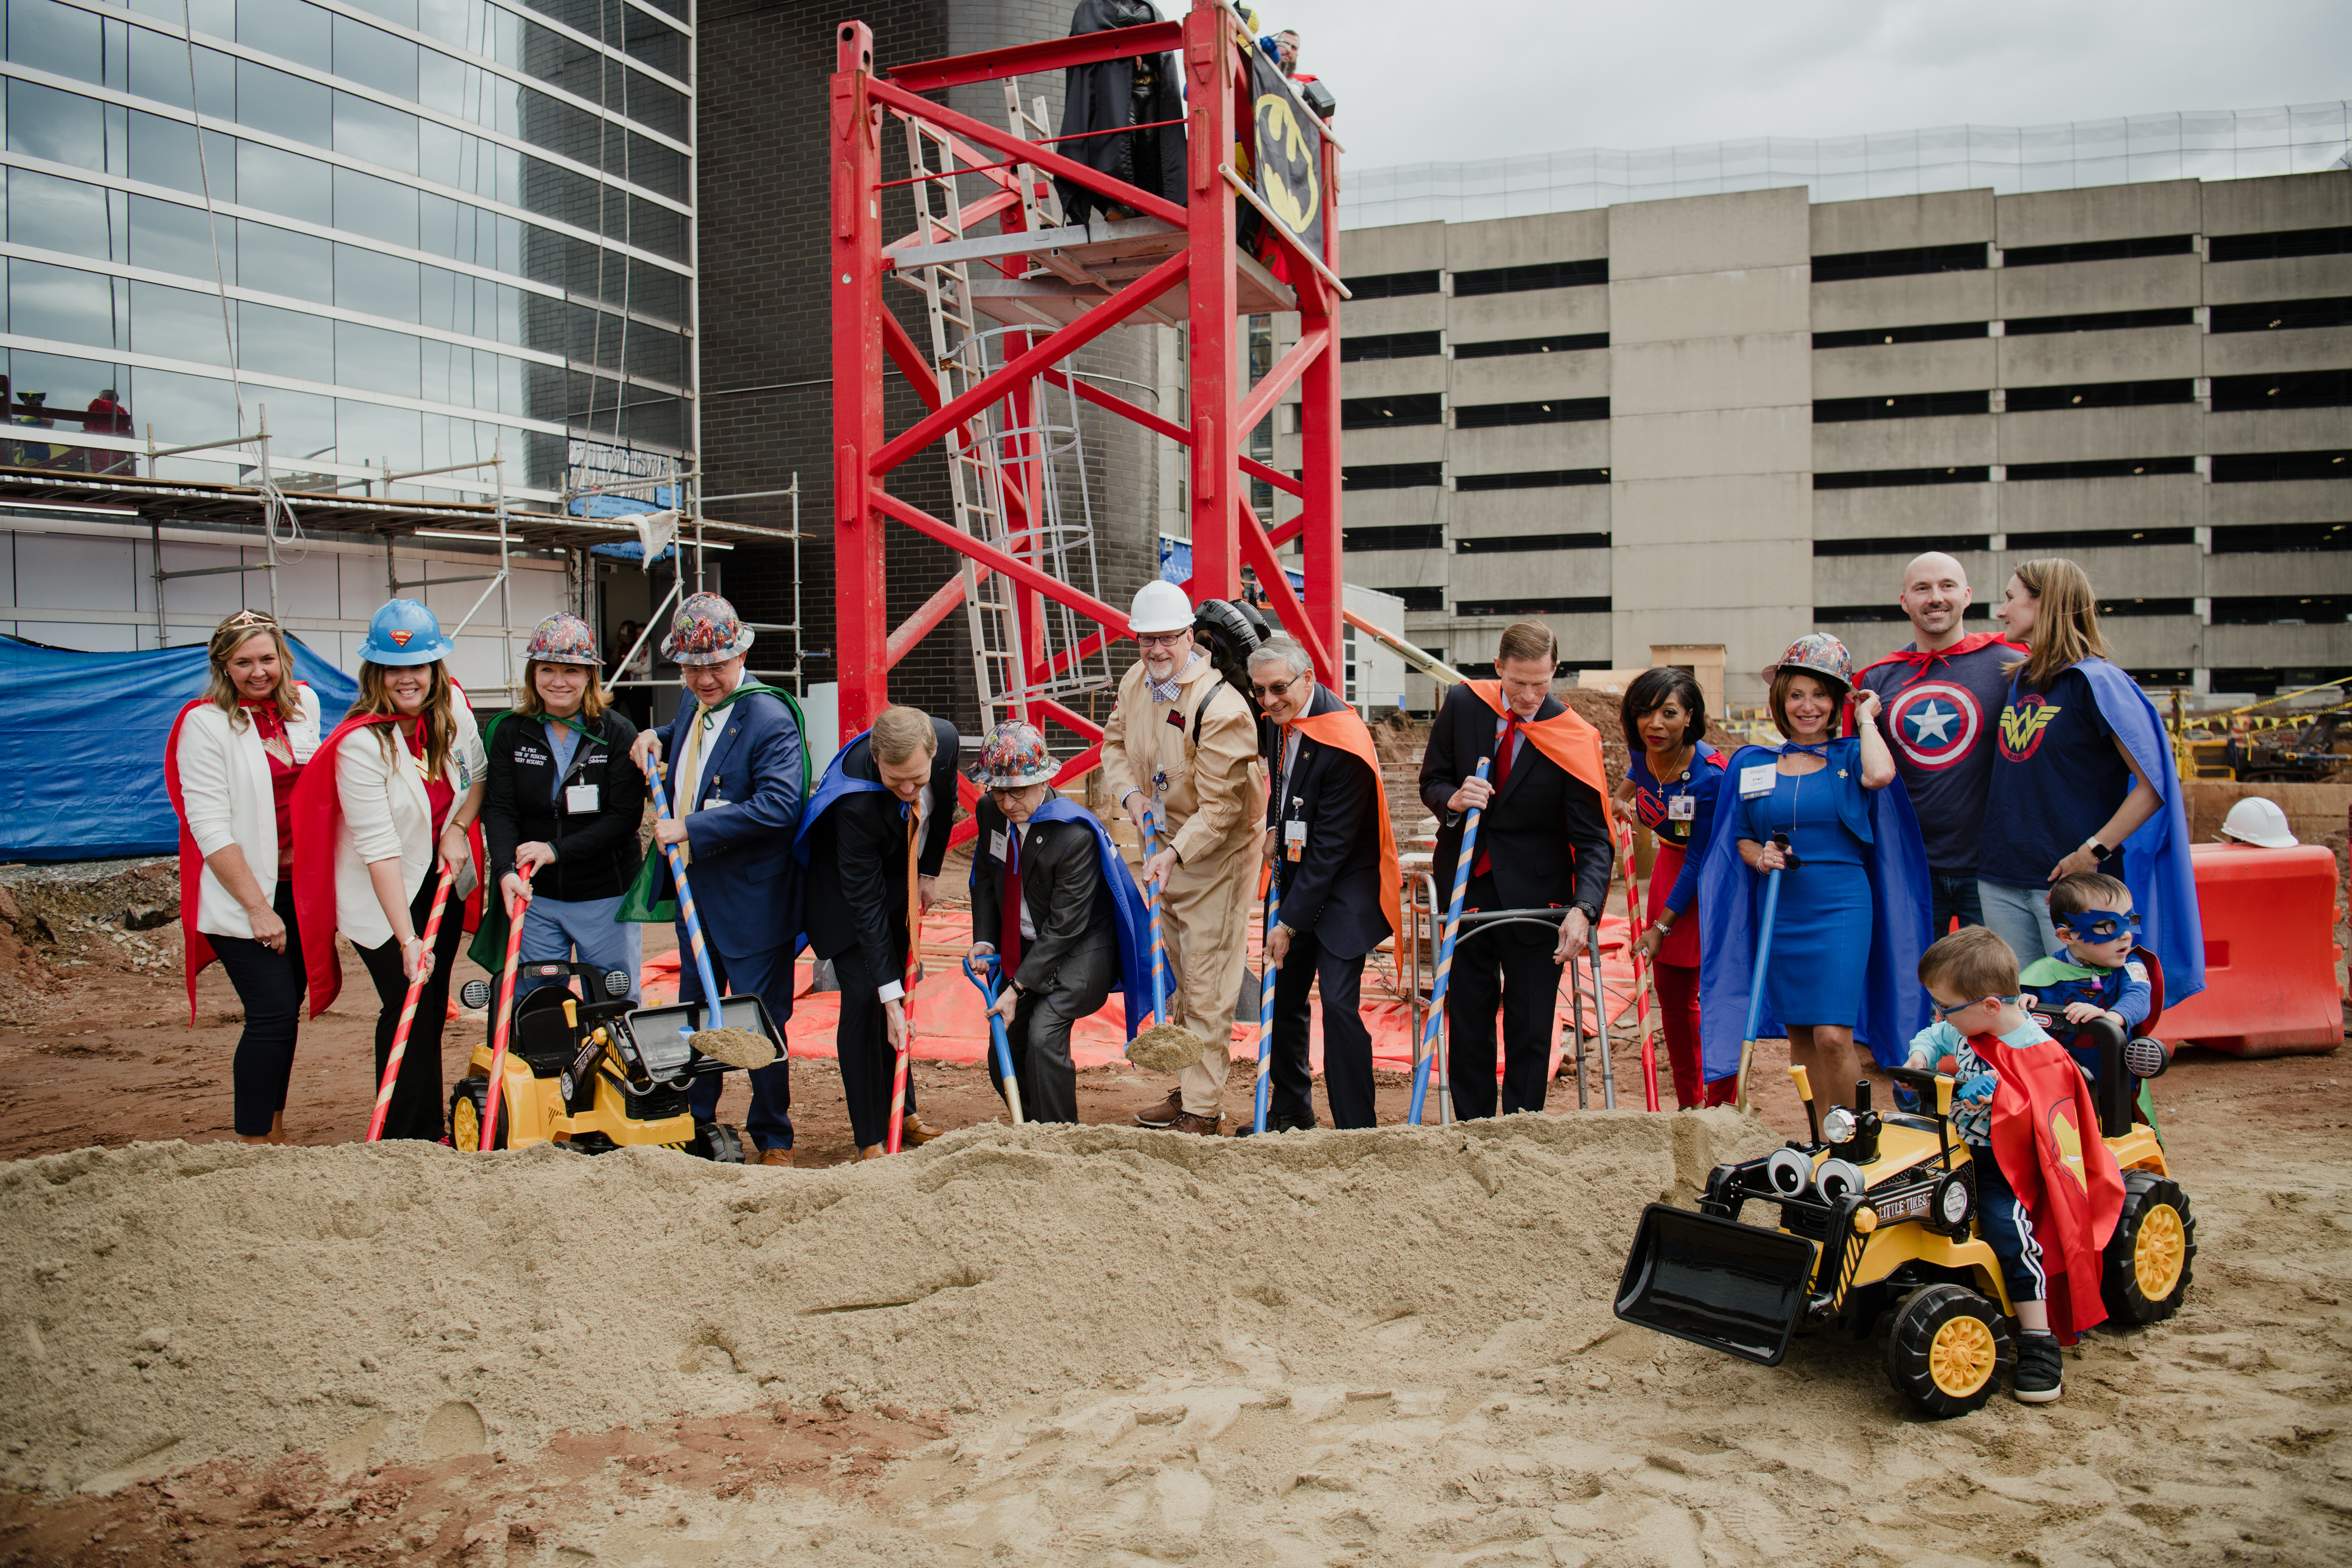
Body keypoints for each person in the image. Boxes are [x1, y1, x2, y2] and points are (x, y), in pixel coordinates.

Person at [1696, 633, 1932, 1104]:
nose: (1808, 706)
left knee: (1832, 1035)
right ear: (1780, 701)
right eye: (1797, 695)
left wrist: (1865, 718)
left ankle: (1851, 1141)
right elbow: (1741, 838)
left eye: (1821, 694)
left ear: (1837, 701)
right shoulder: (1751, 763)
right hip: (1780, 906)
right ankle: (1821, 1143)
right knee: (1801, 1039)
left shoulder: (1850, 754)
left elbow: (1880, 776)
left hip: (1841, 903)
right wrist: (1759, 856)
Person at [291, 600, 486, 1142]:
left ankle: (426, 1131)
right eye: (394, 668)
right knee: (406, 999)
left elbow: (477, 780)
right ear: (376, 672)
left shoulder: (455, 716)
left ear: (434, 668)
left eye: (417, 666)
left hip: (440, 881)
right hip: (385, 897)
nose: (407, 679)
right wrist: (405, 938)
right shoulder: (361, 742)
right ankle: (406, 1135)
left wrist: (457, 827)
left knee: (425, 1009)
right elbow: (378, 847)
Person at [624, 593, 808, 1166]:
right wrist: (656, 734)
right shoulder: (693, 702)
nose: (703, 678)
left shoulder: (770, 717)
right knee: (696, 1013)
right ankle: (694, 1119)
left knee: (760, 1019)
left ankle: (773, 1136)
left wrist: (692, 829)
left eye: (715, 666)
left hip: (754, 901)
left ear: (741, 654)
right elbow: (695, 738)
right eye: (692, 667)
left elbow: (781, 803)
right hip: (697, 894)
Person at [1906, 925, 2126, 1404]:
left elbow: (2050, 1123)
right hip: (1949, 1152)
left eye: (1947, 1006)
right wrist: (1923, 1053)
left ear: (1989, 1005)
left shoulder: (2040, 1054)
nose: (1941, 1015)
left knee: (2011, 1233)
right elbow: (1935, 1035)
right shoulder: (1967, 1025)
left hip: (2009, 1168)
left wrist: (2001, 1097)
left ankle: (2038, 1338)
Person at [1980, 559, 2204, 1004]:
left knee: (2086, 1015)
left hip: (2072, 887)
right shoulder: (2022, 678)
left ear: (2046, 601)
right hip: (2002, 875)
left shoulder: (2096, 681)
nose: (2002, 612)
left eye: (2010, 598)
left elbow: (2153, 785)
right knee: (2021, 1017)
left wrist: (2093, 851)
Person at [1417, 621, 1614, 1121]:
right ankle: (1473, 1128)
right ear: (1498, 668)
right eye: (1518, 682)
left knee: (1531, 1025)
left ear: (1555, 673)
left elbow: (1592, 838)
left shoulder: (1573, 735)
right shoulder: (1464, 706)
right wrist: (1455, 800)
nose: (1528, 696)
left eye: (1541, 684)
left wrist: (1585, 910)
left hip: (1537, 896)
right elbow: (1432, 780)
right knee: (1468, 1020)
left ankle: (1524, 1130)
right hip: (1467, 887)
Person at [1103, 581, 1264, 1136]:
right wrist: (1131, 798)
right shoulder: (1136, 683)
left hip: (1213, 859)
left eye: (1168, 637)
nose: (1157, 650)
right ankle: (1191, 1087)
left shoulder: (1220, 706)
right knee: (1179, 977)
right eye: (1147, 639)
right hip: (1162, 851)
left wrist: (1174, 851)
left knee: (1206, 983)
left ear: (1189, 637)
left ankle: (1203, 1109)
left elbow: (1223, 809)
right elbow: (1116, 745)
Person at [164, 610, 323, 1144]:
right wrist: (258, 908)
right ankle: (253, 1144)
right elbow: (206, 825)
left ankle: (276, 1134)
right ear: (223, 667)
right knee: (272, 1013)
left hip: (298, 888)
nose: (259, 672)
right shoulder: (205, 724)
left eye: (267, 658)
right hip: (244, 895)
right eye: (244, 662)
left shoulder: (305, 708)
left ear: (283, 657)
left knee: (288, 1013)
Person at [966, 720, 1151, 1124]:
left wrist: (1016, 987)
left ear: (1043, 780)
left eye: (1017, 791)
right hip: (1029, 947)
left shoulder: (1073, 834)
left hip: (1081, 949)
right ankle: (1033, 1123)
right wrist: (986, 940)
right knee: (1005, 1052)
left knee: (1043, 1034)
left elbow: (1067, 924)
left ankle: (1060, 1138)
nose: (1007, 803)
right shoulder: (990, 813)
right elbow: (984, 878)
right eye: (998, 792)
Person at [796, 704, 960, 1157]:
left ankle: (902, 1112)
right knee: (870, 999)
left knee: (901, 998)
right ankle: (870, 1136)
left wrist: (928, 871)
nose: (907, 789)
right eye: (894, 780)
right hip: (846, 900)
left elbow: (943, 804)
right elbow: (863, 905)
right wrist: (888, 996)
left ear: (932, 752)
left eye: (916, 777)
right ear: (875, 758)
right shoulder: (855, 800)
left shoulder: (944, 740)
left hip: (899, 879)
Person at [1253, 635, 1399, 1131]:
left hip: (1343, 888)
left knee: (1338, 1004)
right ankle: (1291, 1111)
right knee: (1285, 998)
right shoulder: (1279, 721)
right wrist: (1275, 828)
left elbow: (1332, 850)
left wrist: (1288, 924)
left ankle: (1357, 1127)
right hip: (1300, 873)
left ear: (1308, 680)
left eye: (1278, 688)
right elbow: (1286, 789)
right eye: (1260, 692)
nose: (1269, 701)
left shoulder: (1343, 739)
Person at [1852, 552, 2024, 938]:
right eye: (1922, 588)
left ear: (1966, 595)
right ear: (1904, 601)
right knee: (1914, 988)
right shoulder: (1877, 679)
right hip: (1909, 869)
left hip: (1993, 871)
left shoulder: (2013, 667)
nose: (1935, 597)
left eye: (1946, 586)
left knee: (1994, 989)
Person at [478, 614, 646, 1004]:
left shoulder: (617, 732)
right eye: (547, 669)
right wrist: (504, 871)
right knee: (537, 1006)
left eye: (571, 670)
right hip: (535, 896)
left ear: (589, 675)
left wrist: (555, 851)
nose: (558, 681)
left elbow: (624, 819)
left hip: (605, 894)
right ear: (532, 673)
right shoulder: (509, 731)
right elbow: (500, 809)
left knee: (612, 1003)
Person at [1614, 666, 1732, 1109]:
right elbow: (1636, 769)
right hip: (1668, 869)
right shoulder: (1643, 749)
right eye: (1644, 713)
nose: (1654, 724)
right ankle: (1688, 1104)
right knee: (1671, 996)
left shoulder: (1711, 778)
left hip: (1711, 884)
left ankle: (1721, 1103)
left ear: (1690, 717)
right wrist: (1621, 797)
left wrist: (1659, 929)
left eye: (1668, 713)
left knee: (1713, 997)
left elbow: (1701, 861)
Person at [1056, 1, 1186, 227]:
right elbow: (1088, 37)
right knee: (1119, 144)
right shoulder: (1093, 6)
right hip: (1115, 92)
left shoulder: (1150, 7)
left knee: (1151, 150)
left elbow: (1164, 46)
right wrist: (1124, 48)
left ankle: (1149, 206)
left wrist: (1144, 48)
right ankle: (1117, 203)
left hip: (1152, 89)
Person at [2020, 871, 2153, 1085]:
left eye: (2130, 920)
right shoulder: (2042, 973)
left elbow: (2139, 997)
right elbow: (2015, 1014)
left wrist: (2109, 1020)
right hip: (2058, 1084)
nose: (2126, 934)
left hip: (2116, 1082)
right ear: (2067, 936)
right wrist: (2021, 1001)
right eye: (2109, 926)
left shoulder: (2130, 964)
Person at [609, 619, 654, 730]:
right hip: (631, 686)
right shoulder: (635, 648)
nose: (640, 636)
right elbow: (623, 665)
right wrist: (640, 664)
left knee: (647, 718)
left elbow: (648, 668)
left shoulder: (650, 647)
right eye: (638, 633)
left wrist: (634, 666)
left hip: (646, 687)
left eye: (643, 633)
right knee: (636, 717)